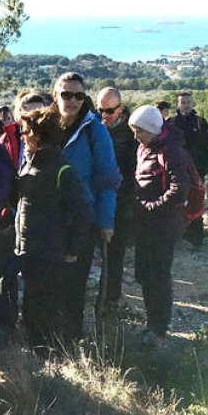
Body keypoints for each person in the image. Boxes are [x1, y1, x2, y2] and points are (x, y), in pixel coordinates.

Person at [14, 108, 91, 349]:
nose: (22, 136)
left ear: (37, 135)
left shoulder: (61, 170)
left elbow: (81, 213)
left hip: (49, 251)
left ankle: (50, 357)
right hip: (31, 249)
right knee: (33, 304)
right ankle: (38, 354)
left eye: (25, 132)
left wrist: (72, 247)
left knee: (44, 306)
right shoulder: (32, 164)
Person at [52, 73, 120, 341]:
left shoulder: (95, 130)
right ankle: (46, 338)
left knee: (74, 285)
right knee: (47, 282)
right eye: (66, 94)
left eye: (78, 95)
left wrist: (106, 221)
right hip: (47, 219)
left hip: (81, 220)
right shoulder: (45, 125)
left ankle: (69, 340)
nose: (72, 100)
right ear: (56, 95)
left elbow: (108, 178)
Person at [128, 105, 192, 345]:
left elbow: (179, 189)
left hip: (163, 226)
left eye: (140, 131)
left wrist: (151, 207)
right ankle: (152, 323)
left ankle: (159, 327)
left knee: (158, 276)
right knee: (145, 275)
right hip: (145, 225)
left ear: (154, 130)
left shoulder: (172, 152)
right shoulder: (145, 148)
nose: (136, 136)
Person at [93, 87, 137, 317]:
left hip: (121, 201)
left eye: (109, 110)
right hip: (94, 198)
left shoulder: (131, 135)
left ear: (120, 108)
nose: (104, 115)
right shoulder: (93, 127)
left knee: (115, 253)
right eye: (100, 109)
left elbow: (135, 172)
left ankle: (111, 299)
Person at [171, 92, 208, 250]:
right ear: (178, 103)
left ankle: (196, 238)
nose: (185, 105)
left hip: (195, 170)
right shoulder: (171, 122)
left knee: (195, 202)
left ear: (192, 103)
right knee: (175, 201)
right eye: (182, 102)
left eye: (188, 102)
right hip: (176, 170)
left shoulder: (201, 123)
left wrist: (203, 167)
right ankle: (177, 236)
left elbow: (207, 148)